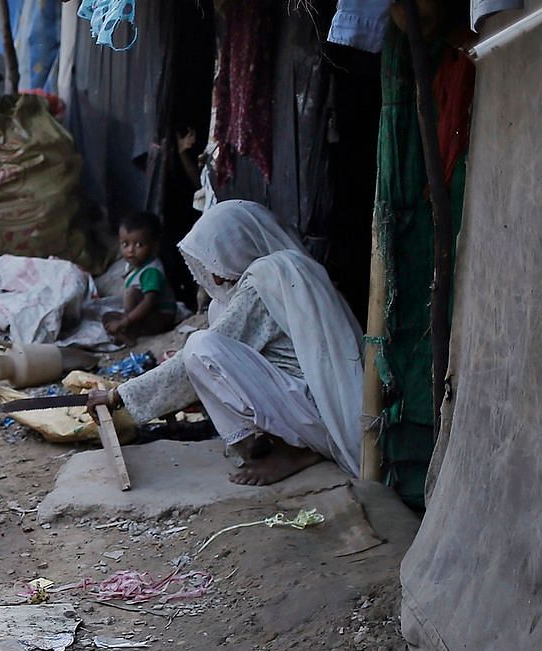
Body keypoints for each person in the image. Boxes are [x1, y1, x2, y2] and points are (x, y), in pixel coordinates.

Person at [85, 200, 365, 485]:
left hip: (318, 418)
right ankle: (260, 442)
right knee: (213, 322)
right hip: (308, 406)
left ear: (238, 248)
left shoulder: (262, 284)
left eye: (217, 261)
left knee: (201, 346)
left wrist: (119, 395)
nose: (216, 276)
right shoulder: (280, 271)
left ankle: (294, 450)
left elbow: (197, 359)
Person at [105, 211, 180, 341]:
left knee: (131, 293)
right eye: (125, 244)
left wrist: (125, 321)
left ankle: (130, 334)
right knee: (107, 317)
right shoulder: (136, 267)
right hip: (146, 316)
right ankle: (126, 331)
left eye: (139, 245)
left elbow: (149, 302)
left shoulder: (152, 271)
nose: (130, 250)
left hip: (160, 318)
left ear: (154, 246)